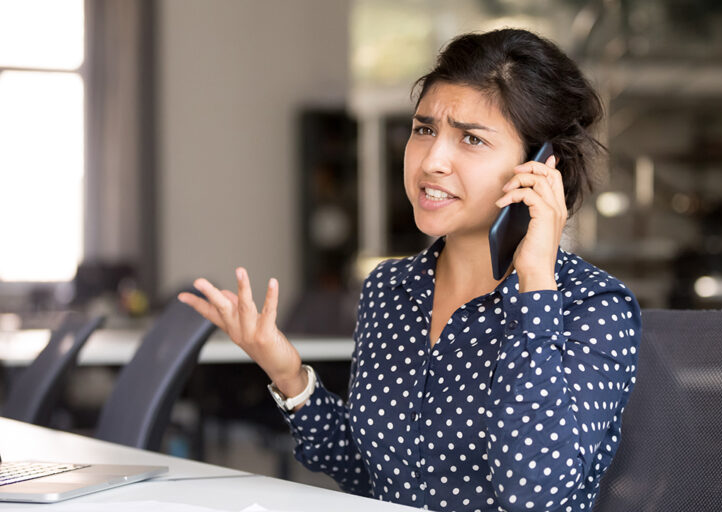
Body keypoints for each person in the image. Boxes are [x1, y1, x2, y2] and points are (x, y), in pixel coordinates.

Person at [179, 28, 641, 512]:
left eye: (472, 139)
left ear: (543, 168)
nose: (432, 160)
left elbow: (534, 494)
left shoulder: (591, 306)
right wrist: (287, 372)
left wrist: (535, 289)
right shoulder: (391, 288)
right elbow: (372, 472)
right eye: (424, 130)